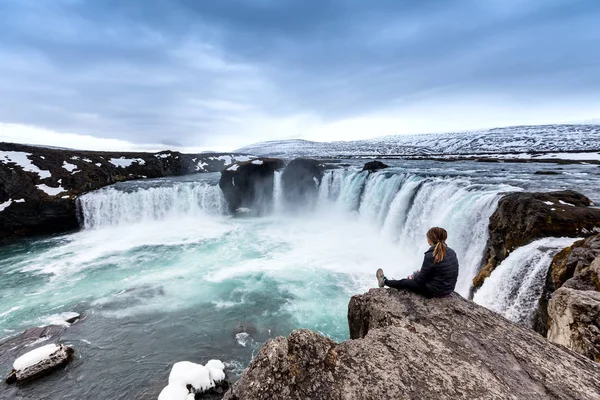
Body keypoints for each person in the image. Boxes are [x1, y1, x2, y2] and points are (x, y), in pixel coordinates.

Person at [376, 227, 459, 298]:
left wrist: (413, 277)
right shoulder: (452, 252)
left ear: (430, 240)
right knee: (419, 272)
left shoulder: (430, 255)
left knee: (405, 282)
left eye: (428, 238)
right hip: (448, 290)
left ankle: (384, 281)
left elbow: (420, 280)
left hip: (434, 292)